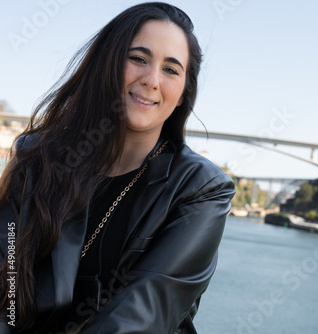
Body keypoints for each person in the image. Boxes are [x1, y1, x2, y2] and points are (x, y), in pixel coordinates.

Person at [0, 2, 235, 333]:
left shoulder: (202, 189)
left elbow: (141, 318)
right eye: (138, 58)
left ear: (183, 93)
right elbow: (6, 290)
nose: (151, 80)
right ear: (106, 64)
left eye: (171, 69)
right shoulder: (36, 162)